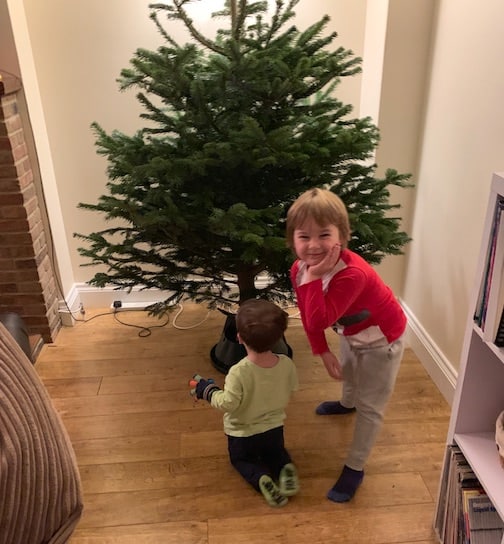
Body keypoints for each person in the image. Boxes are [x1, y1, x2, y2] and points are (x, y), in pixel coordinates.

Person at [286, 187, 407, 503]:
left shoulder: (352, 273)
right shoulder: (299, 269)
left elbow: (318, 319)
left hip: (383, 340)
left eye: (324, 235)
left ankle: (355, 467)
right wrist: (322, 350)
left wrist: (314, 278)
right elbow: (307, 311)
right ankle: (347, 403)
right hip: (350, 331)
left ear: (342, 236)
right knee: (350, 374)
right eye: (304, 236)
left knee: (371, 406)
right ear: (293, 240)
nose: (313, 246)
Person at [194, 298, 299, 508]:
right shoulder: (286, 364)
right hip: (274, 428)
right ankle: (285, 467)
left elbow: (227, 404)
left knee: (242, 460)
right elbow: (292, 389)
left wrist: (208, 391)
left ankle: (260, 478)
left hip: (242, 434)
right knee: (276, 452)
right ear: (279, 338)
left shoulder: (239, 371)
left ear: (239, 338)